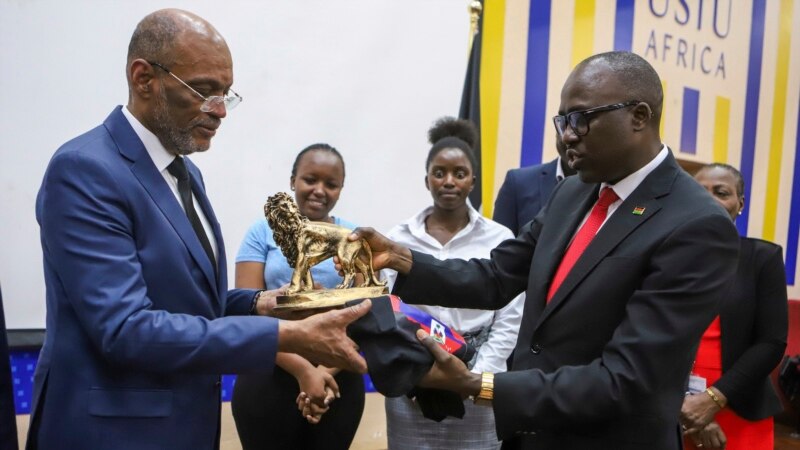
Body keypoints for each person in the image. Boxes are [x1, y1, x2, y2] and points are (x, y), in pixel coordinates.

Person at [341, 51, 740, 449]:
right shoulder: (574, 191)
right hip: (529, 437)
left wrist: (478, 385)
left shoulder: (696, 224)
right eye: (563, 121)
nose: (567, 136)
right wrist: (400, 259)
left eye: (581, 118)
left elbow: (627, 377)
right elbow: (496, 276)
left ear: (639, 116)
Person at [31, 10, 370, 450]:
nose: (220, 111)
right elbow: (126, 328)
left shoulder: (185, 173)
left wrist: (261, 304)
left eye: (226, 94)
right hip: (115, 432)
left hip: (183, 424)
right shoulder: (85, 170)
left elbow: (185, 301)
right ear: (143, 78)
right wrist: (285, 336)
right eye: (204, 91)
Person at [382, 117, 524, 449]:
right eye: (439, 173)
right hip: (412, 383)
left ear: (473, 181)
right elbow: (386, 311)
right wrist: (417, 374)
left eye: (459, 173)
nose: (449, 181)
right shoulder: (397, 239)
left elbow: (510, 319)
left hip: (477, 384)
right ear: (426, 179)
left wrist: (472, 379)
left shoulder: (500, 238)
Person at [232, 144, 365, 450]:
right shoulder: (261, 233)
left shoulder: (354, 237)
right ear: (293, 181)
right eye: (310, 179)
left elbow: (366, 316)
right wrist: (304, 371)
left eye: (331, 184)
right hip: (267, 373)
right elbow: (248, 311)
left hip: (336, 379)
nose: (320, 190)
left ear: (341, 189)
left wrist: (322, 373)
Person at [680, 163, 788, 450]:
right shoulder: (665, 254)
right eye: (699, 190)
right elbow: (648, 339)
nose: (709, 198)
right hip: (670, 406)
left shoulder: (762, 258)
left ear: (740, 204)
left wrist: (712, 400)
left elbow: (771, 342)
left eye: (721, 192)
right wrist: (684, 401)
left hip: (740, 405)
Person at [493, 134, 577, 236]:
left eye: (579, 128)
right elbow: (500, 241)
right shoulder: (518, 182)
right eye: (563, 127)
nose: (570, 136)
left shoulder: (596, 187)